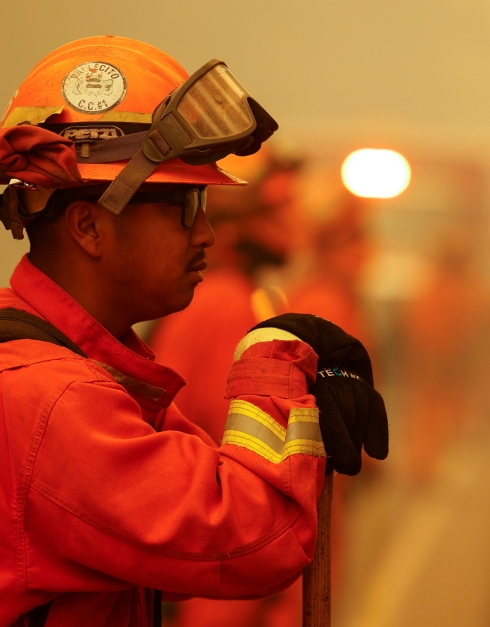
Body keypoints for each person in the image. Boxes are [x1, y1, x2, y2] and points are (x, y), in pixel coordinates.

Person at [0, 36, 387, 627]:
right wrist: (275, 365)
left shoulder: (57, 362)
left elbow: (195, 490)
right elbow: (252, 538)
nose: (204, 234)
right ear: (89, 226)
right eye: (183, 206)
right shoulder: (47, 400)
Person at [150, 147, 307, 627]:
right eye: (275, 212)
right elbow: (232, 436)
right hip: (220, 529)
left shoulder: (222, 297)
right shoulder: (226, 304)